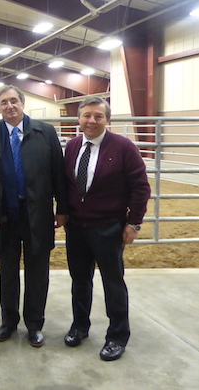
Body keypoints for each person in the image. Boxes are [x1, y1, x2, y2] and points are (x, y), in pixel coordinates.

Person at [0, 85, 67, 348]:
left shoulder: (45, 132)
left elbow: (57, 173)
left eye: (14, 101)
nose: (9, 106)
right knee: (7, 271)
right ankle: (9, 321)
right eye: (3, 102)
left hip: (37, 215)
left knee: (38, 272)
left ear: (23, 103)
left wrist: (62, 208)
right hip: (4, 216)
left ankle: (35, 324)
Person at [63, 96, 150, 361]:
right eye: (87, 115)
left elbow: (140, 187)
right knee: (79, 280)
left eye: (98, 116)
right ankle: (80, 326)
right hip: (77, 227)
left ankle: (117, 336)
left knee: (113, 282)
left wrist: (133, 223)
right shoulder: (72, 146)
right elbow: (66, 184)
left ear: (107, 120)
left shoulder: (123, 147)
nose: (92, 120)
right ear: (79, 118)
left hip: (108, 228)